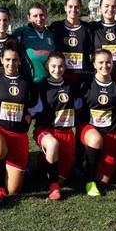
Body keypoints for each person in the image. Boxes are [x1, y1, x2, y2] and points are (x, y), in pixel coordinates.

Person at [0, 44, 40, 204]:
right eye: (7, 59)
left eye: (15, 60)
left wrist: (29, 115)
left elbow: (37, 105)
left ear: (20, 61)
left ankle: (8, 169)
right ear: (1, 60)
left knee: (14, 190)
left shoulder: (27, 83)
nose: (11, 63)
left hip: (19, 135)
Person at [79, 49, 116, 197]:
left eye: (108, 62)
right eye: (101, 62)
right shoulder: (85, 82)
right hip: (90, 129)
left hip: (112, 132)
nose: (105, 65)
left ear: (113, 63)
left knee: (104, 181)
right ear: (94, 64)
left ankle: (90, 167)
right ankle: (88, 181)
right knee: (96, 140)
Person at [33, 52, 81, 200]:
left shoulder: (71, 85)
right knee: (53, 145)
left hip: (66, 132)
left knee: (63, 178)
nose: (57, 69)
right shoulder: (41, 86)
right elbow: (33, 109)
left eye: (61, 66)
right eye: (53, 66)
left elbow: (79, 104)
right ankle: (53, 188)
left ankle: (42, 161)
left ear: (65, 67)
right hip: (45, 130)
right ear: (47, 66)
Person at [49, 0, 94, 84]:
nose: (73, 9)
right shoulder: (56, 27)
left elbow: (93, 51)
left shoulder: (88, 28)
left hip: (83, 74)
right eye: (70, 6)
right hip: (61, 74)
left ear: (81, 8)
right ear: (65, 8)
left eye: (76, 7)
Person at [12, 2, 56, 83]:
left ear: (46, 16)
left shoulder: (52, 33)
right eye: (35, 16)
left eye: (42, 15)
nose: (39, 19)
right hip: (28, 82)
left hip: (50, 82)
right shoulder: (20, 32)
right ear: (29, 17)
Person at [92, 0, 116, 78]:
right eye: (106, 6)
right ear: (100, 8)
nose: (110, 9)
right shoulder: (92, 28)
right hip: (99, 76)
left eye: (113, 6)